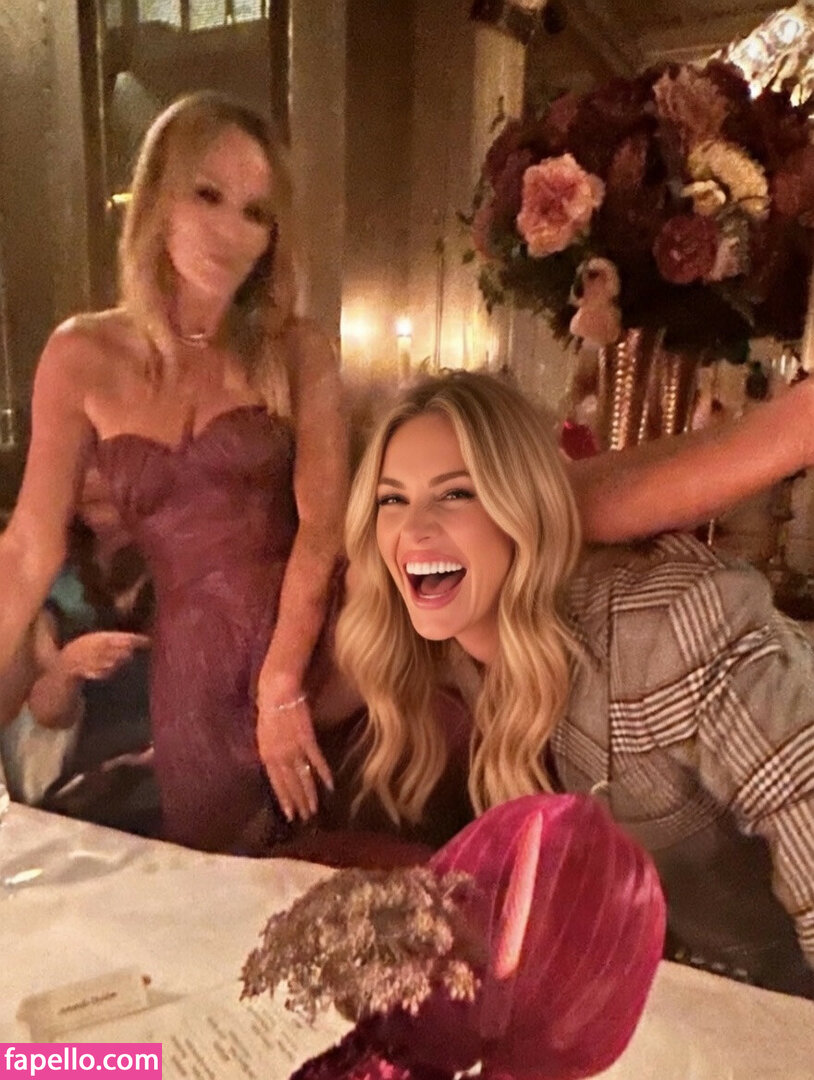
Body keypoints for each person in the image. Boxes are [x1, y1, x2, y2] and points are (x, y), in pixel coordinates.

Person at [336, 369, 814, 998]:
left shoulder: (669, 631)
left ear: (523, 506)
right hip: (654, 996)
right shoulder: (459, 640)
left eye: (456, 494)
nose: (413, 529)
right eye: (392, 500)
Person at [0, 91, 349, 854]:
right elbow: (28, 547)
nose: (230, 230)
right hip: (191, 666)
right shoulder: (81, 356)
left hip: (312, 653)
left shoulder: (298, 351)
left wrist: (282, 684)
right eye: (207, 195)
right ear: (157, 196)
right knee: (211, 878)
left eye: (256, 213)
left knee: (320, 867)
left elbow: (324, 530)